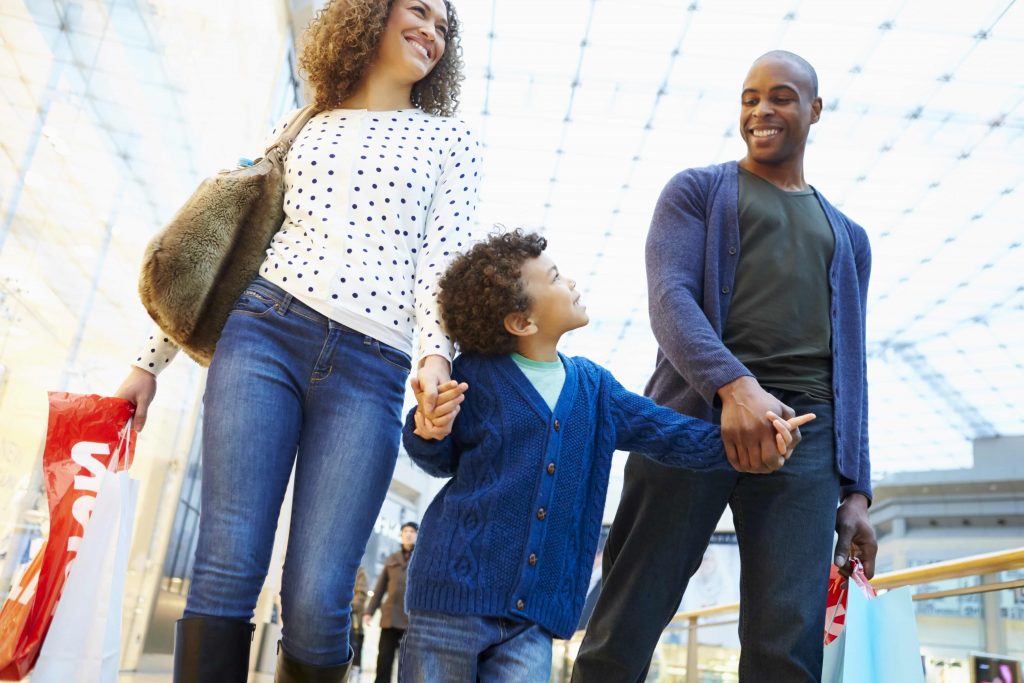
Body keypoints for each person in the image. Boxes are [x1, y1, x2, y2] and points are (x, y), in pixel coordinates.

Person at [114, 1, 480, 681]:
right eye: (419, 11)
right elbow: (222, 245)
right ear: (372, 15)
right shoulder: (303, 121)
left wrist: (435, 355)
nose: (432, 31)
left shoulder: (451, 141)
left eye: (444, 28)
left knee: (317, 598)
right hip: (264, 333)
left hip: (372, 370)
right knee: (227, 560)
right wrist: (149, 361)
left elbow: (444, 258)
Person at [571, 51, 878, 682]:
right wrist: (736, 388)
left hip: (807, 437)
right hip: (689, 419)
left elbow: (852, 364)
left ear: (815, 110)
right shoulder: (697, 191)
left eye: (782, 97)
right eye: (750, 97)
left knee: (787, 648)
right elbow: (670, 298)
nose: (762, 110)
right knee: (624, 621)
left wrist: (857, 491)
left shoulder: (849, 237)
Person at [395, 230, 813, 682]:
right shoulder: (475, 376)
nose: (570, 282)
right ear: (522, 322)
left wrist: (750, 445)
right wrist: (427, 427)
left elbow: (668, 433)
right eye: (555, 278)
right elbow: (437, 456)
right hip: (448, 602)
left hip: (534, 619)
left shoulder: (595, 389)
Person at [364, 522, 417, 683]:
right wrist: (369, 611)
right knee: (384, 662)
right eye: (405, 531)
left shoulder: (422, 560)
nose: (408, 534)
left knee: (406, 666)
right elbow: (380, 588)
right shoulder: (391, 559)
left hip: (410, 622)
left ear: (417, 535)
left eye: (412, 531)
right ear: (401, 535)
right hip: (389, 619)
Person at [350, 566, 368, 677]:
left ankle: (355, 671)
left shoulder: (360, 572)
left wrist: (347, 605)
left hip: (353, 617)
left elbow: (361, 594)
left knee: (354, 644)